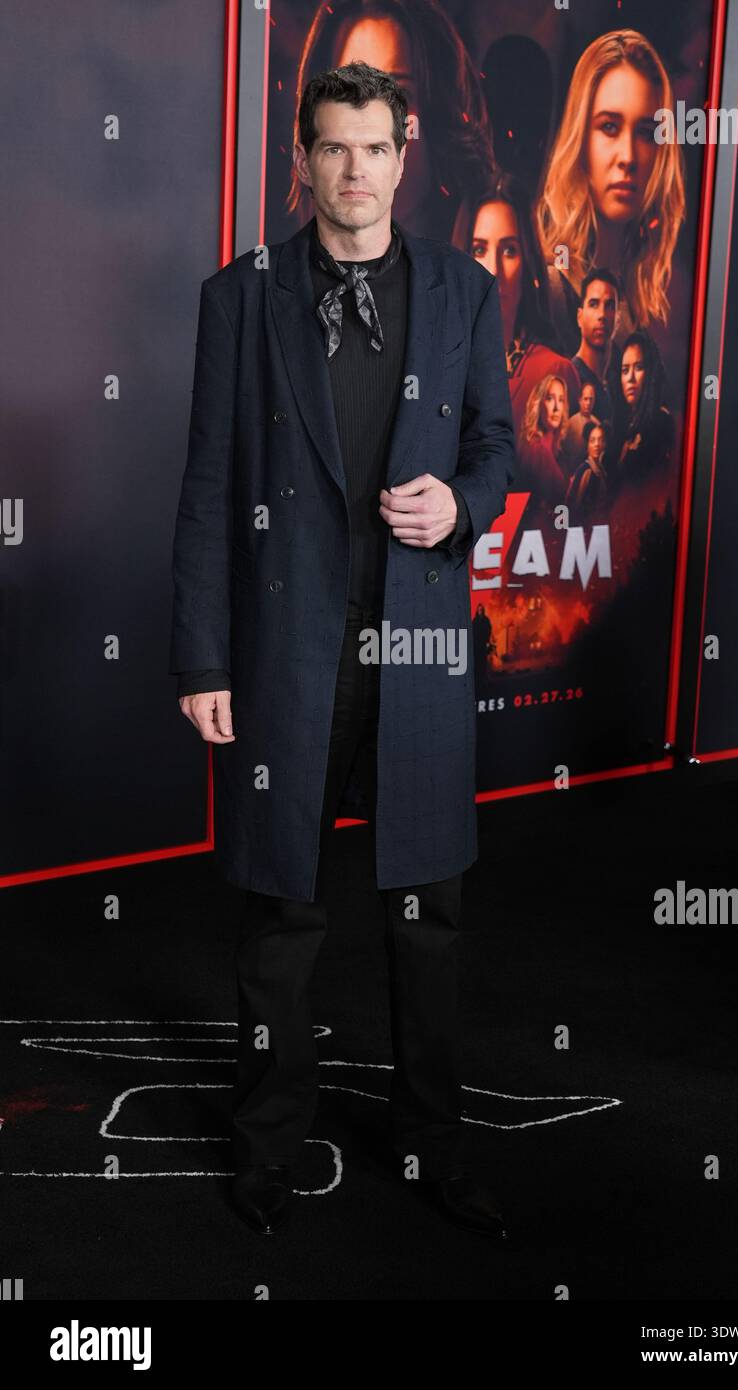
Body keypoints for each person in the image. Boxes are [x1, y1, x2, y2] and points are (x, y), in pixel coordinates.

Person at [169, 62, 514, 1239]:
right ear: (302, 158)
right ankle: (266, 1147)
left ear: (404, 152)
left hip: (415, 644)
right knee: (282, 915)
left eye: (374, 148)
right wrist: (203, 662)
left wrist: (461, 507)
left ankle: (432, 1146)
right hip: (285, 655)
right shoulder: (239, 296)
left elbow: (497, 448)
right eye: (332, 148)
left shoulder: (465, 292)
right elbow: (210, 492)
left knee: (428, 915)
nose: (354, 171)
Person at [284, 0, 497, 243]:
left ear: (439, 118)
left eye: (399, 97)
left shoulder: (474, 274)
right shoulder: (275, 272)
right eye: (345, 95)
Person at [537, 28, 686, 357]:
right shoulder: (550, 294)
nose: (629, 157)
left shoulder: (648, 306)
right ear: (581, 140)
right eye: (609, 127)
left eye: (646, 133)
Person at [455, 172, 579, 491]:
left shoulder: (554, 373)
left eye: (509, 251)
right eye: (479, 250)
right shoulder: (433, 364)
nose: (493, 269)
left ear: (528, 264)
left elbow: (570, 501)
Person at [612, 329, 675, 488]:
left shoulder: (660, 422)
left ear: (651, 372)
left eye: (638, 367)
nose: (630, 378)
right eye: (625, 370)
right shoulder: (629, 423)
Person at [571, 268, 620, 429]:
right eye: (593, 304)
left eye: (610, 305)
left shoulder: (616, 385)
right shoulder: (571, 377)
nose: (602, 315)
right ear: (579, 316)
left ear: (617, 319)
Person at [517, 373, 569, 501]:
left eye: (561, 400)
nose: (557, 408)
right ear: (539, 403)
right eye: (550, 398)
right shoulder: (537, 451)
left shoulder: (554, 448)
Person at [566, 420, 610, 520]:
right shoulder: (587, 471)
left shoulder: (600, 470)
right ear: (587, 445)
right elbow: (576, 507)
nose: (597, 445)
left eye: (601, 440)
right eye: (592, 440)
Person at [557, 381, 599, 480]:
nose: (588, 403)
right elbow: (561, 452)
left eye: (591, 399)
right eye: (585, 399)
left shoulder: (597, 424)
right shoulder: (570, 424)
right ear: (579, 400)